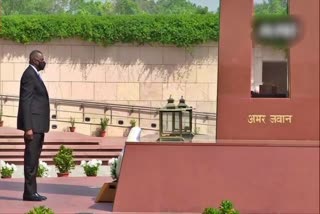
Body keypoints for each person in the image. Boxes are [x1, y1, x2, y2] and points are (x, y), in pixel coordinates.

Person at [17, 50, 50, 201]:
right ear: (35, 60)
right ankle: (29, 193)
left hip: (38, 126)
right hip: (33, 127)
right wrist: (28, 127)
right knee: (31, 159)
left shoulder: (34, 74)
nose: (44, 62)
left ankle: (32, 192)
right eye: (42, 59)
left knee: (34, 159)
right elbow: (26, 101)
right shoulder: (29, 75)